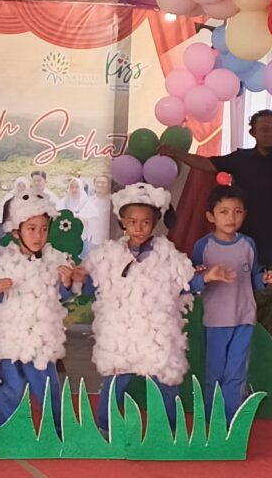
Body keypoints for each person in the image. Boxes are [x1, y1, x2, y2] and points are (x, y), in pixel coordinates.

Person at [78, 183, 194, 431]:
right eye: (132, 222)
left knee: (164, 377)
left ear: (154, 223)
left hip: (155, 331)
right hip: (121, 331)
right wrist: (79, 278)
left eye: (145, 223)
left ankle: (168, 429)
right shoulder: (108, 255)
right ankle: (105, 426)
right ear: (123, 222)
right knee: (116, 379)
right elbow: (92, 287)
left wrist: (207, 277)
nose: (138, 228)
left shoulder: (167, 255)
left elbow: (184, 283)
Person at [0, 190, 77, 435]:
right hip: (10, 340)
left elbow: (63, 295)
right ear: (16, 231)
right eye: (31, 229)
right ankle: (1, 432)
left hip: (42, 340)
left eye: (43, 229)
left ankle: (57, 432)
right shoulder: (2, 260)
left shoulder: (56, 260)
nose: (38, 235)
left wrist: (66, 283)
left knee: (48, 387)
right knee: (10, 388)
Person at [190, 185, 272, 421]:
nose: (231, 217)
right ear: (210, 216)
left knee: (236, 374)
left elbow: (254, 277)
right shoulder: (203, 247)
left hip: (244, 319)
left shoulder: (248, 244)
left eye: (237, 211)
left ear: (244, 214)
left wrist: (266, 280)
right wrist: (207, 276)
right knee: (214, 374)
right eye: (224, 211)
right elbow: (193, 282)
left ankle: (231, 423)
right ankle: (211, 423)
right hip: (215, 321)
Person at [159, 109, 272, 265]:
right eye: (264, 129)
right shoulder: (241, 158)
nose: (271, 133)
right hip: (246, 232)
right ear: (253, 133)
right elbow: (207, 164)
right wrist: (175, 152)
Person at [58, 177, 98, 250]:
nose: (74, 190)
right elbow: (57, 214)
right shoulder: (64, 201)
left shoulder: (87, 203)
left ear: (81, 188)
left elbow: (94, 219)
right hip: (66, 236)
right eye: (72, 187)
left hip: (83, 237)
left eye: (77, 187)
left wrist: (79, 217)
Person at [0, 177, 29, 243]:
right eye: (19, 186)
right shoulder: (8, 201)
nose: (21, 188)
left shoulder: (31, 202)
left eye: (23, 186)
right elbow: (4, 218)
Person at [89, 175, 113, 246]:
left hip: (109, 241)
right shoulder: (89, 201)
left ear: (108, 185)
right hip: (92, 240)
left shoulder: (113, 201)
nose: (100, 185)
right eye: (98, 182)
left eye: (103, 183)